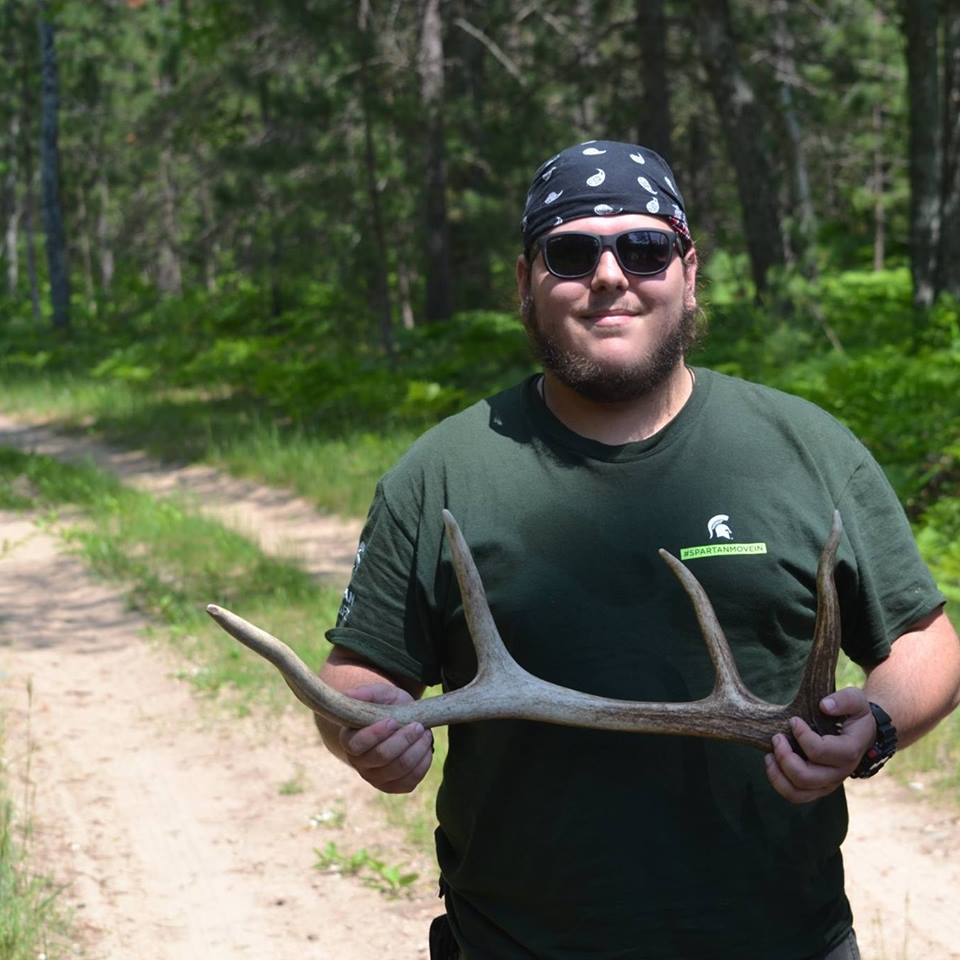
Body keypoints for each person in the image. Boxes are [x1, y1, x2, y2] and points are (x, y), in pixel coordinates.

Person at [314, 140, 960, 960]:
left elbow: (924, 643)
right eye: (571, 252)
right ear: (526, 282)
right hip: (515, 943)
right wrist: (367, 731)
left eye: (644, 247)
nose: (610, 275)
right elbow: (358, 676)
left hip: (783, 941)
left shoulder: (805, 448)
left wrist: (873, 724)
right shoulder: (443, 471)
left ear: (689, 270)